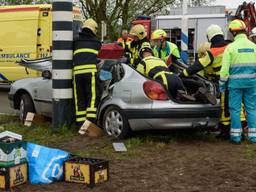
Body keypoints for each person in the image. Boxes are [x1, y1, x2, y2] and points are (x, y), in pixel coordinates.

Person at [180, 24, 245, 138]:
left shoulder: (212, 52)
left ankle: (225, 132)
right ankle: (241, 131)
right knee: (238, 105)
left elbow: (198, 66)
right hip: (237, 80)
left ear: (210, 37)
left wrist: (183, 74)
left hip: (223, 82)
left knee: (225, 108)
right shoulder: (231, 46)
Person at [219, 19, 256, 144]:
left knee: (235, 110)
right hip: (252, 84)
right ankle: (253, 137)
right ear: (244, 31)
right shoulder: (254, 47)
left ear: (233, 33)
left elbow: (224, 70)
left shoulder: (230, 48)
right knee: (251, 109)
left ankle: (236, 137)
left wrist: (222, 84)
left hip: (235, 85)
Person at [73, 18, 102, 127]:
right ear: (93, 29)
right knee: (92, 96)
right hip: (90, 72)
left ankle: (80, 123)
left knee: (79, 97)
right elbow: (100, 57)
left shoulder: (75, 41)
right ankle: (90, 122)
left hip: (77, 73)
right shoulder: (96, 42)